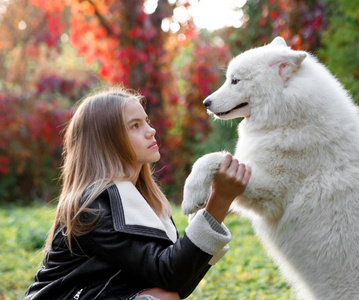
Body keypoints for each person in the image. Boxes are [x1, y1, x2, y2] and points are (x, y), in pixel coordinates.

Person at [24, 87, 251, 300]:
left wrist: (217, 204)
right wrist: (219, 201)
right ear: (107, 142)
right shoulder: (93, 207)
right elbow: (171, 274)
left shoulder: (143, 201)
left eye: (146, 122)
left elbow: (178, 284)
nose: (151, 131)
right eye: (135, 126)